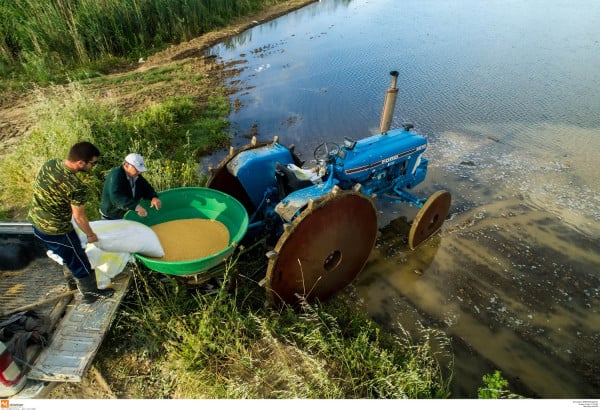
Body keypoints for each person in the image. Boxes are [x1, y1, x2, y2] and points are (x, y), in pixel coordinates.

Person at [27, 141, 114, 303]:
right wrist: (90, 235)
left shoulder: (50, 164)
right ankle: (90, 295)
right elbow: (79, 217)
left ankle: (72, 284)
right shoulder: (76, 186)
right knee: (79, 259)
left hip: (36, 224)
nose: (93, 167)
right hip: (56, 231)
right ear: (81, 162)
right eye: (92, 163)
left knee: (67, 255)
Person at [99, 153, 162, 220]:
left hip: (126, 215)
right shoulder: (116, 175)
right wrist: (136, 207)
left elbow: (147, 188)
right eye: (137, 169)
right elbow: (116, 197)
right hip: (111, 215)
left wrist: (153, 197)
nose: (139, 172)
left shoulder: (136, 176)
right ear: (126, 165)